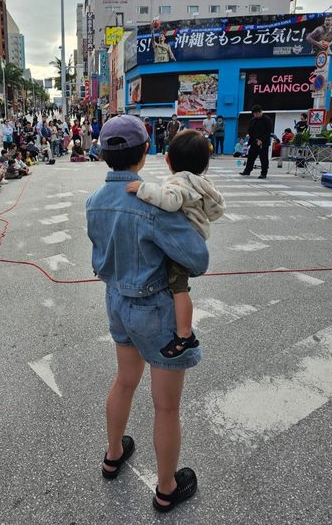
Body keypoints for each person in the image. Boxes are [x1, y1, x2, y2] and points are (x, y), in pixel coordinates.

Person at [86, 115, 208, 513]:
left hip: (116, 301)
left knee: (124, 381)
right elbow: (198, 259)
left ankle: (113, 454)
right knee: (166, 406)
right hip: (154, 308)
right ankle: (166, 488)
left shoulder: (94, 201)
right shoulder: (151, 203)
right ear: (145, 152)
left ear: (104, 154)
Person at [126, 130, 224, 358]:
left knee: (179, 288)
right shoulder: (202, 183)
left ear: (168, 160)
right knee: (178, 286)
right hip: (196, 236)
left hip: (183, 240)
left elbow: (170, 201)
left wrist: (142, 189)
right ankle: (183, 330)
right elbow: (216, 211)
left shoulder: (178, 181)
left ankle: (184, 336)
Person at [239, 105, 273, 179]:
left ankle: (263, 173)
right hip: (254, 141)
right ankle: (247, 171)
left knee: (263, 158)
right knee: (251, 157)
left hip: (263, 143)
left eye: (257, 113)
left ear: (261, 112)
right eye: (254, 114)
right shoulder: (253, 120)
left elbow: (268, 132)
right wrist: (248, 134)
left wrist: (261, 140)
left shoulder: (267, 120)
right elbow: (250, 129)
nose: (256, 115)